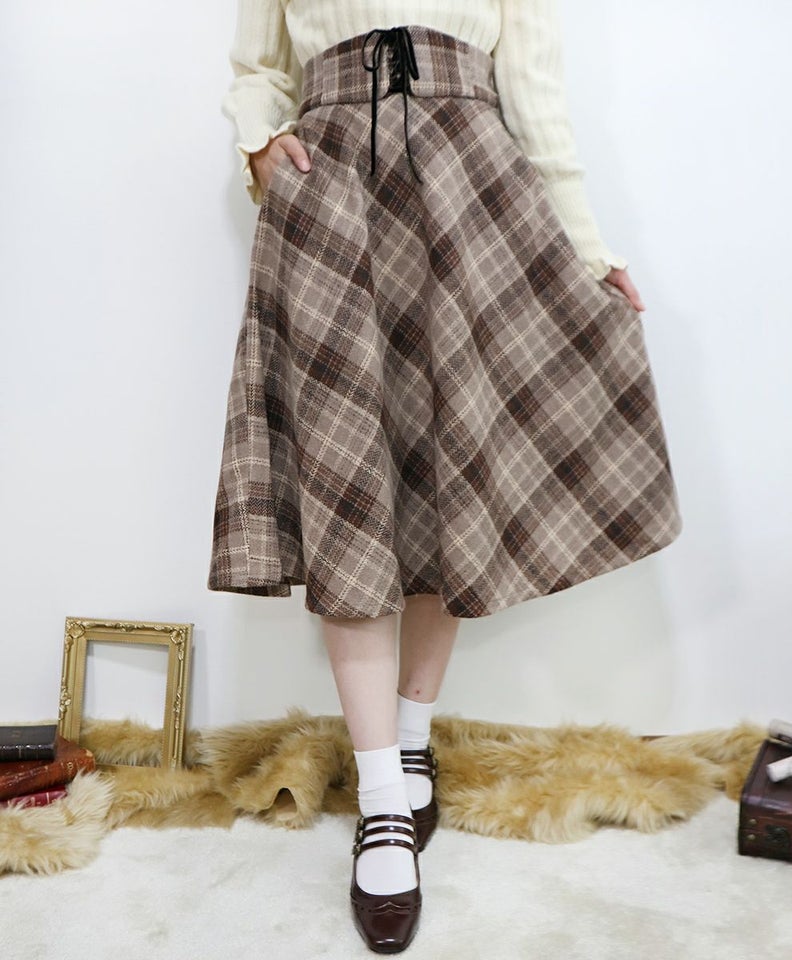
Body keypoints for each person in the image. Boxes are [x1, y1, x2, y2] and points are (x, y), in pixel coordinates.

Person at [208, 1, 683, 953]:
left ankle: (413, 743)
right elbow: (257, 66)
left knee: (448, 476)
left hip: (472, 194)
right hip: (329, 194)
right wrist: (258, 145)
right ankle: (384, 798)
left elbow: (536, 101)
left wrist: (589, 253)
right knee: (347, 483)